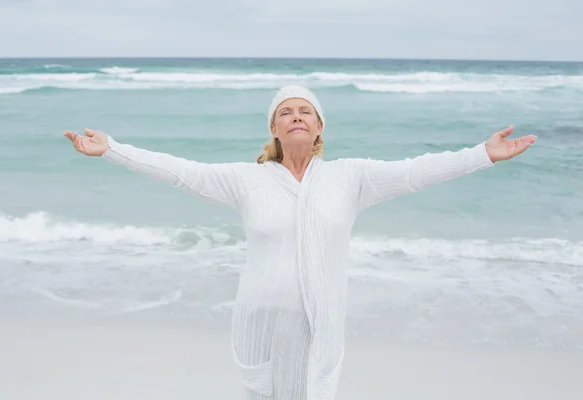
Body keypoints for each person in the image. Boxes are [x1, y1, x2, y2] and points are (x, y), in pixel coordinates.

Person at [63, 85, 537, 400]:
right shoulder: (247, 180)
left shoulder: (351, 178)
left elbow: (414, 172)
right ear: (273, 128)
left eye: (305, 111)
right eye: (285, 112)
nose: (295, 116)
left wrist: (481, 156)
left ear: (319, 127)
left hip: (320, 330)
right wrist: (113, 150)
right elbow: (182, 173)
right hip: (260, 327)